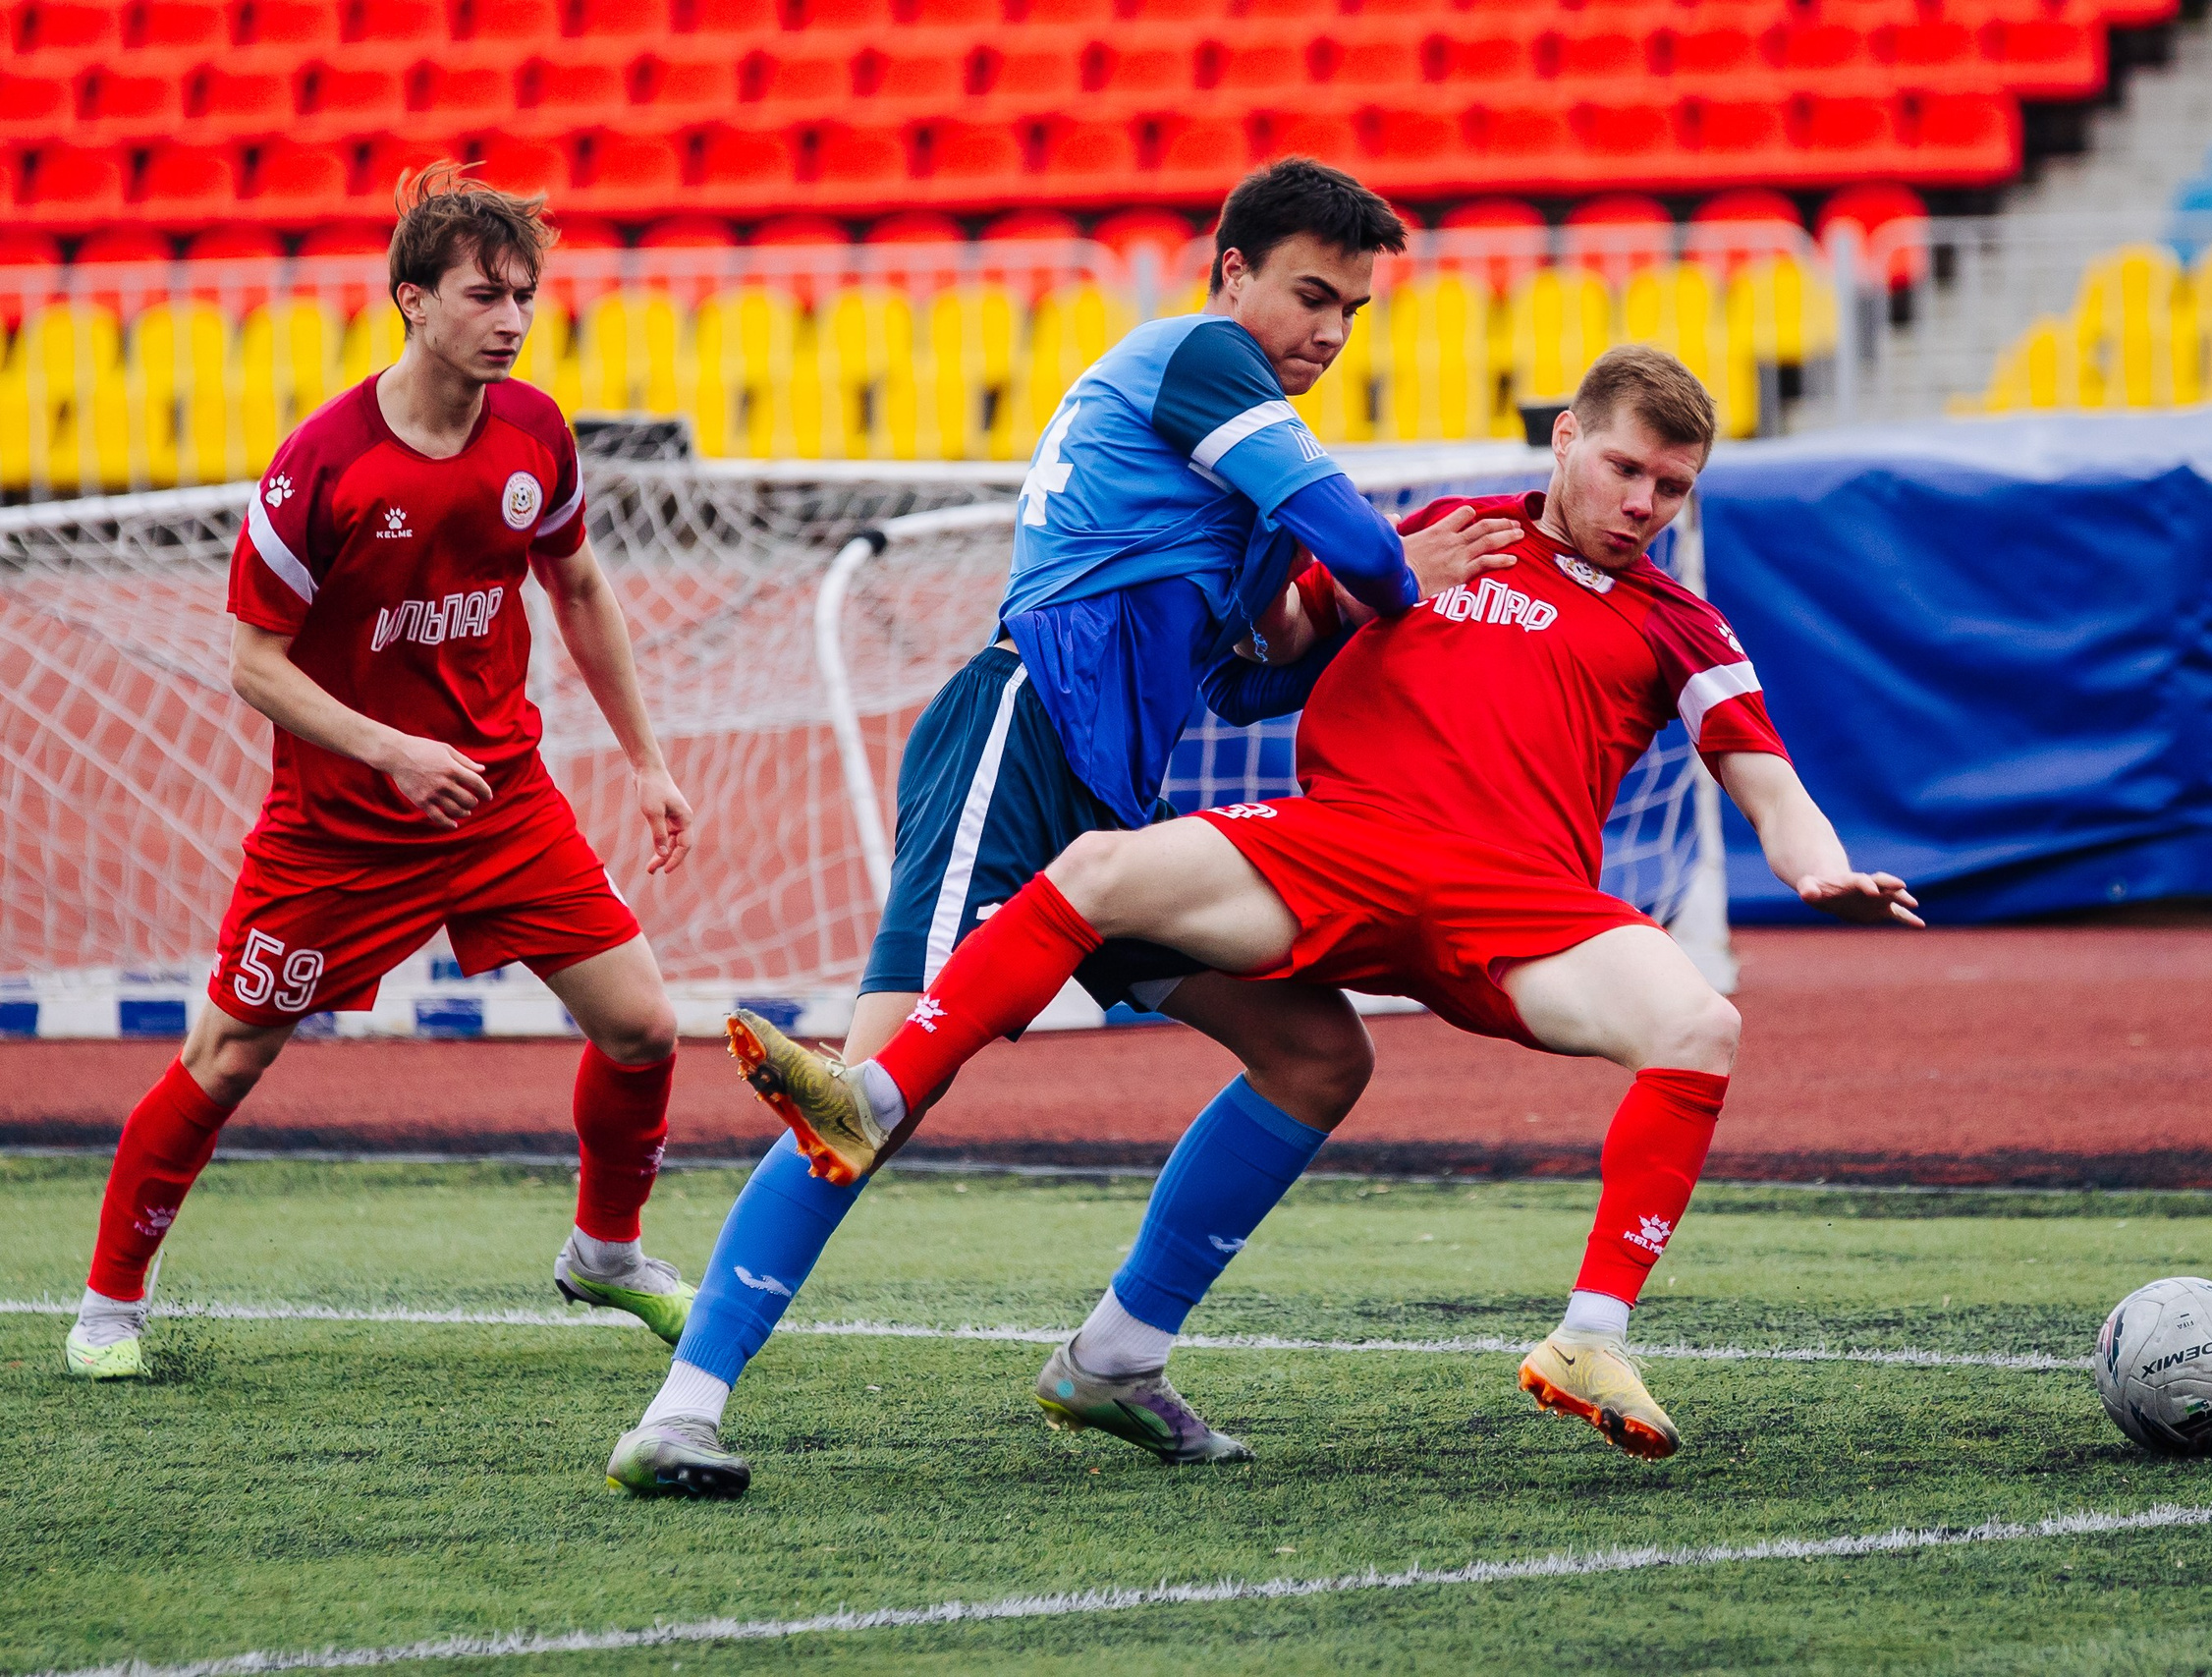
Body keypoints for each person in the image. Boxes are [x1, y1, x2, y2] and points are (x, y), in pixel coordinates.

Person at [766, 345, 1923, 1463]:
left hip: (1518, 903)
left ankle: (1590, 1339)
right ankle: (876, 1094)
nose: (1643, 504)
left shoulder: (1684, 622)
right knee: (1099, 872)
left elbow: (1767, 783)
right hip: (1340, 844)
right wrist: (1277, 533)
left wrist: (1817, 868)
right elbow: (1275, 635)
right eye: (1625, 469)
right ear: (1567, 438)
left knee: (1699, 1028)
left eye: (1671, 487)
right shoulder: (1439, 537)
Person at [604, 158, 1521, 1497]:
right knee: (876, 1093)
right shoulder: (1206, 362)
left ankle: (1114, 1357)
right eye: (1311, 295)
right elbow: (1369, 555)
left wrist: (1337, 612)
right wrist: (1394, 581)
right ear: (1231, 278)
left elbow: (1248, 675)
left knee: (1315, 1051)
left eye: (1354, 311)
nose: (1329, 330)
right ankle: (678, 1410)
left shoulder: (1231, 468)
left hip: (1109, 809)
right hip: (1017, 739)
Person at [64, 163, 699, 1380]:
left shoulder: (536, 433)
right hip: (342, 824)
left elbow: (576, 588)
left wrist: (647, 762)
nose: (510, 319)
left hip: (502, 801)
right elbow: (254, 663)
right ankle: (108, 1305)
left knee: (643, 1028)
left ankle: (605, 1255)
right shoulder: (321, 468)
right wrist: (392, 749)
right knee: (231, 1053)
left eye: (524, 295)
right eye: (483, 295)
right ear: (411, 299)